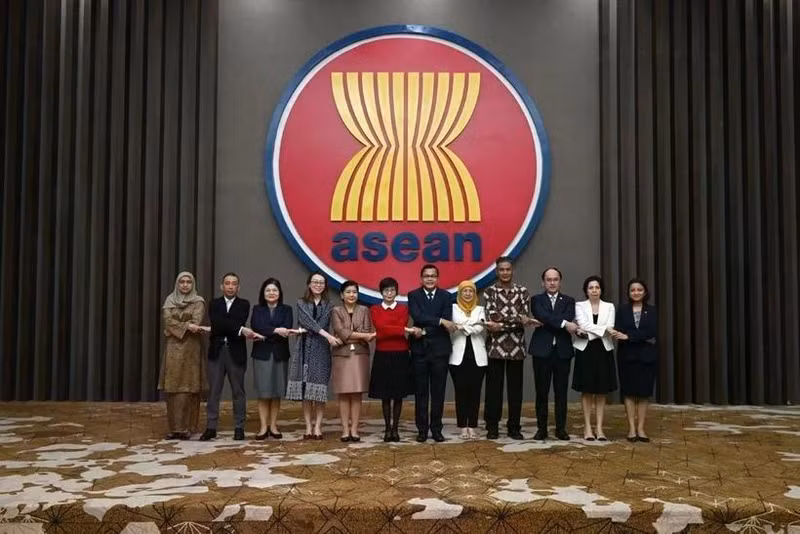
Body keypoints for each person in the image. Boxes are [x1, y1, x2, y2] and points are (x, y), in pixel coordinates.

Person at [482, 257, 540, 440]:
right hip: (494, 347)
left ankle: (514, 427)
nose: (505, 272)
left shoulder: (522, 292)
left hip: (516, 348)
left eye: (508, 269)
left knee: (515, 390)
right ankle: (492, 426)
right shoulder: (490, 292)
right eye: (502, 270)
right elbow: (491, 316)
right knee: (493, 390)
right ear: (496, 271)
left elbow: (524, 318)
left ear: (512, 270)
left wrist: (503, 324)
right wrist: (515, 319)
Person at [200, 272, 256, 441]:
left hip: (236, 352)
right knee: (214, 391)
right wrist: (239, 329)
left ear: (238, 287)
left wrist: (225, 326)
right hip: (217, 352)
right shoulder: (214, 304)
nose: (230, 286)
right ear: (221, 286)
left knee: (238, 391)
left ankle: (239, 427)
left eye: (234, 284)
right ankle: (211, 427)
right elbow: (217, 323)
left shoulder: (244, 304)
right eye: (227, 283)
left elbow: (223, 324)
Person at [528, 267, 580, 441]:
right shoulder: (536, 300)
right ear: (543, 282)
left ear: (560, 281)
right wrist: (565, 323)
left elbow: (549, 319)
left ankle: (560, 429)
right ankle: (541, 429)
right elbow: (542, 316)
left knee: (561, 393)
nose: (552, 282)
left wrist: (553, 320)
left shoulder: (569, 301)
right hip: (542, 352)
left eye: (555, 279)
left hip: (562, 352)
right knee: (541, 393)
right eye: (548, 279)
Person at [287, 272, 340, 439]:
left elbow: (320, 323)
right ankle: (308, 426)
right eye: (315, 282)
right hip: (304, 348)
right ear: (309, 284)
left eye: (322, 282)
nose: (318, 285)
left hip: (321, 350)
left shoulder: (329, 305)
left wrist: (322, 334)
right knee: (305, 390)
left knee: (319, 390)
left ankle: (318, 426)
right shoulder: (301, 302)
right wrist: (329, 336)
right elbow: (307, 321)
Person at [408, 264, 456, 443]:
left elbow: (447, 321)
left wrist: (428, 329)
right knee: (421, 392)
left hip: (440, 351)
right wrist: (440, 321)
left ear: (437, 278)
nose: (430, 279)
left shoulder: (446, 296)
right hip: (419, 351)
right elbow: (418, 316)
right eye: (426, 276)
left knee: (438, 392)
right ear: (421, 278)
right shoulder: (413, 295)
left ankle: (436, 429)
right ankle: (422, 430)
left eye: (433, 276)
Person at [368, 277, 418, 442]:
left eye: (392, 290)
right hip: (383, 353)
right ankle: (387, 429)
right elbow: (380, 328)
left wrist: (393, 329)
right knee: (384, 395)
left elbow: (386, 330)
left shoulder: (404, 309)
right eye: (386, 290)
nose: (389, 293)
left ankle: (395, 429)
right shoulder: (374, 309)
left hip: (401, 354)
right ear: (381, 292)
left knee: (398, 395)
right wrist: (402, 329)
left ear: (396, 292)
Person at [159, 271, 207, 440]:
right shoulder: (169, 301)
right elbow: (168, 322)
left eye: (188, 282)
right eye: (182, 282)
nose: (185, 285)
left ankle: (188, 427)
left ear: (192, 284)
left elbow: (196, 321)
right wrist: (186, 326)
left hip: (191, 348)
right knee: (173, 388)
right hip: (173, 349)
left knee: (190, 388)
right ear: (177, 284)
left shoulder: (198, 301)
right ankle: (174, 428)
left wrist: (182, 325)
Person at [250, 278, 299, 440]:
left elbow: (287, 327)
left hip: (279, 353)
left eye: (275, 290)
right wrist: (277, 330)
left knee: (277, 391)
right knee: (264, 392)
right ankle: (263, 427)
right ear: (263, 294)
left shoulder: (287, 309)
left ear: (279, 293)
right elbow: (257, 327)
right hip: (262, 354)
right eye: (268, 290)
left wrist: (269, 333)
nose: (271, 293)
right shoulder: (257, 309)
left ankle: (274, 425)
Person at [611, 278, 658, 443]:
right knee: (629, 393)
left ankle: (641, 428)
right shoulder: (622, 310)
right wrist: (630, 336)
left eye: (639, 290)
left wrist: (630, 336)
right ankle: (631, 428)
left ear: (645, 292)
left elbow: (651, 331)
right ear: (629, 293)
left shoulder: (652, 311)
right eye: (633, 290)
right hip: (627, 356)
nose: (636, 292)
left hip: (647, 356)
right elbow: (619, 330)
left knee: (644, 394)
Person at [572, 275, 617, 441]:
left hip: (604, 350)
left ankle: (599, 428)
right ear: (586, 290)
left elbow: (610, 326)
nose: (594, 290)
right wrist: (603, 329)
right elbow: (583, 325)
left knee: (601, 391)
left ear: (601, 290)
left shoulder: (609, 306)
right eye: (591, 288)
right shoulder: (579, 305)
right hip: (586, 350)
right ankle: (588, 428)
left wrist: (601, 329)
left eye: (597, 287)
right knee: (587, 390)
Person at [331, 280, 375, 442]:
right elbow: (340, 331)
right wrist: (360, 336)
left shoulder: (364, 310)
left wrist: (347, 337)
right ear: (342, 295)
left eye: (354, 292)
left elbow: (367, 331)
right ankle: (344, 430)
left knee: (356, 394)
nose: (351, 295)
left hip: (360, 355)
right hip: (341, 356)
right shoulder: (336, 310)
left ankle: (355, 430)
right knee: (343, 394)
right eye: (348, 292)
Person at [449, 280, 487, 439]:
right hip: (457, 357)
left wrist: (462, 326)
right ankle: (462, 426)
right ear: (460, 293)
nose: (468, 293)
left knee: (475, 392)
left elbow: (479, 328)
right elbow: (453, 325)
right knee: (461, 392)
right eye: (464, 291)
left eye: (471, 291)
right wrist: (471, 324)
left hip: (478, 357)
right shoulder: (453, 308)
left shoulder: (480, 309)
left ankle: (472, 425)